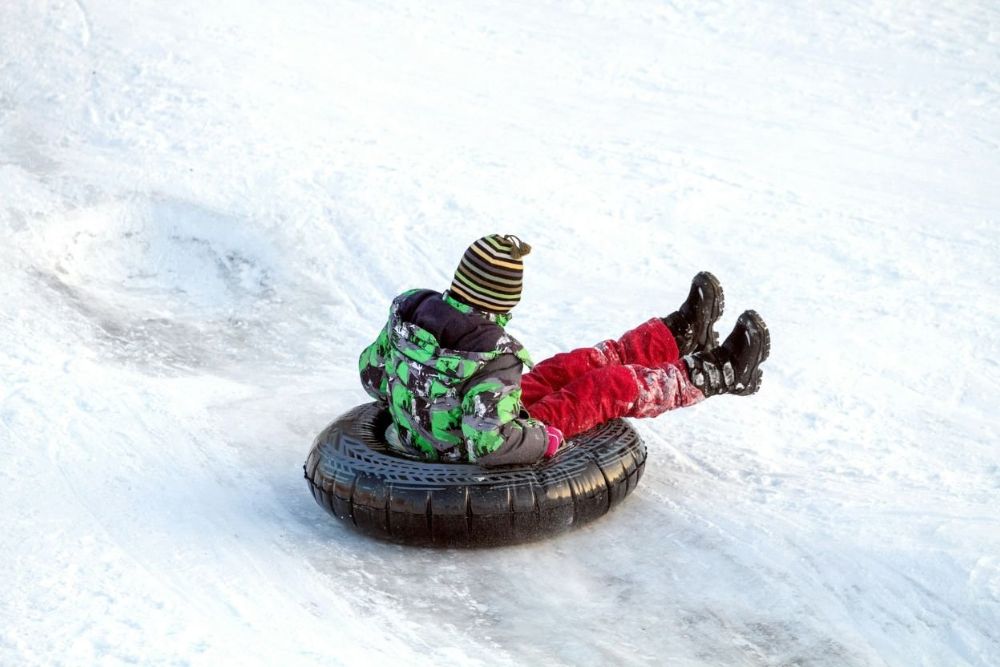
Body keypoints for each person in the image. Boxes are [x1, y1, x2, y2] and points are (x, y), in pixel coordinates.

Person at [359, 234, 770, 467]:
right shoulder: (491, 357)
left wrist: (420, 395)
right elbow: (488, 444)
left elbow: (372, 374)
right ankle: (717, 373)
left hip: (447, 418)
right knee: (606, 387)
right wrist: (544, 439)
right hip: (458, 452)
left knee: (567, 367)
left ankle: (675, 337)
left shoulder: (411, 312)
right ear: (503, 301)